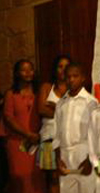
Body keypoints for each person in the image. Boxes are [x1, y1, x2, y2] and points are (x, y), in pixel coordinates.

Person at [1, 59, 45, 193]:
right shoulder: (11, 94)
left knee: (37, 176)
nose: (28, 73)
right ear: (17, 73)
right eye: (24, 70)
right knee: (19, 176)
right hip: (17, 141)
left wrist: (37, 135)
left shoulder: (39, 93)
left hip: (37, 141)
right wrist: (27, 134)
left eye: (30, 69)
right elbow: (8, 118)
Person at [54, 63, 98, 193]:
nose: (71, 79)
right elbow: (56, 134)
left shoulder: (91, 102)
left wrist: (90, 159)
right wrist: (58, 158)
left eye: (75, 76)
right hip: (65, 155)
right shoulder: (61, 103)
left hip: (84, 154)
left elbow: (95, 133)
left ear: (83, 78)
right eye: (68, 77)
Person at [38, 55, 72, 192]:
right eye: (60, 66)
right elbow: (41, 109)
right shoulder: (47, 87)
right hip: (48, 137)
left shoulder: (74, 90)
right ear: (55, 69)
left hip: (68, 138)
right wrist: (63, 111)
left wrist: (54, 106)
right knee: (52, 177)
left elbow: (75, 114)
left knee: (67, 175)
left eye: (66, 66)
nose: (63, 70)